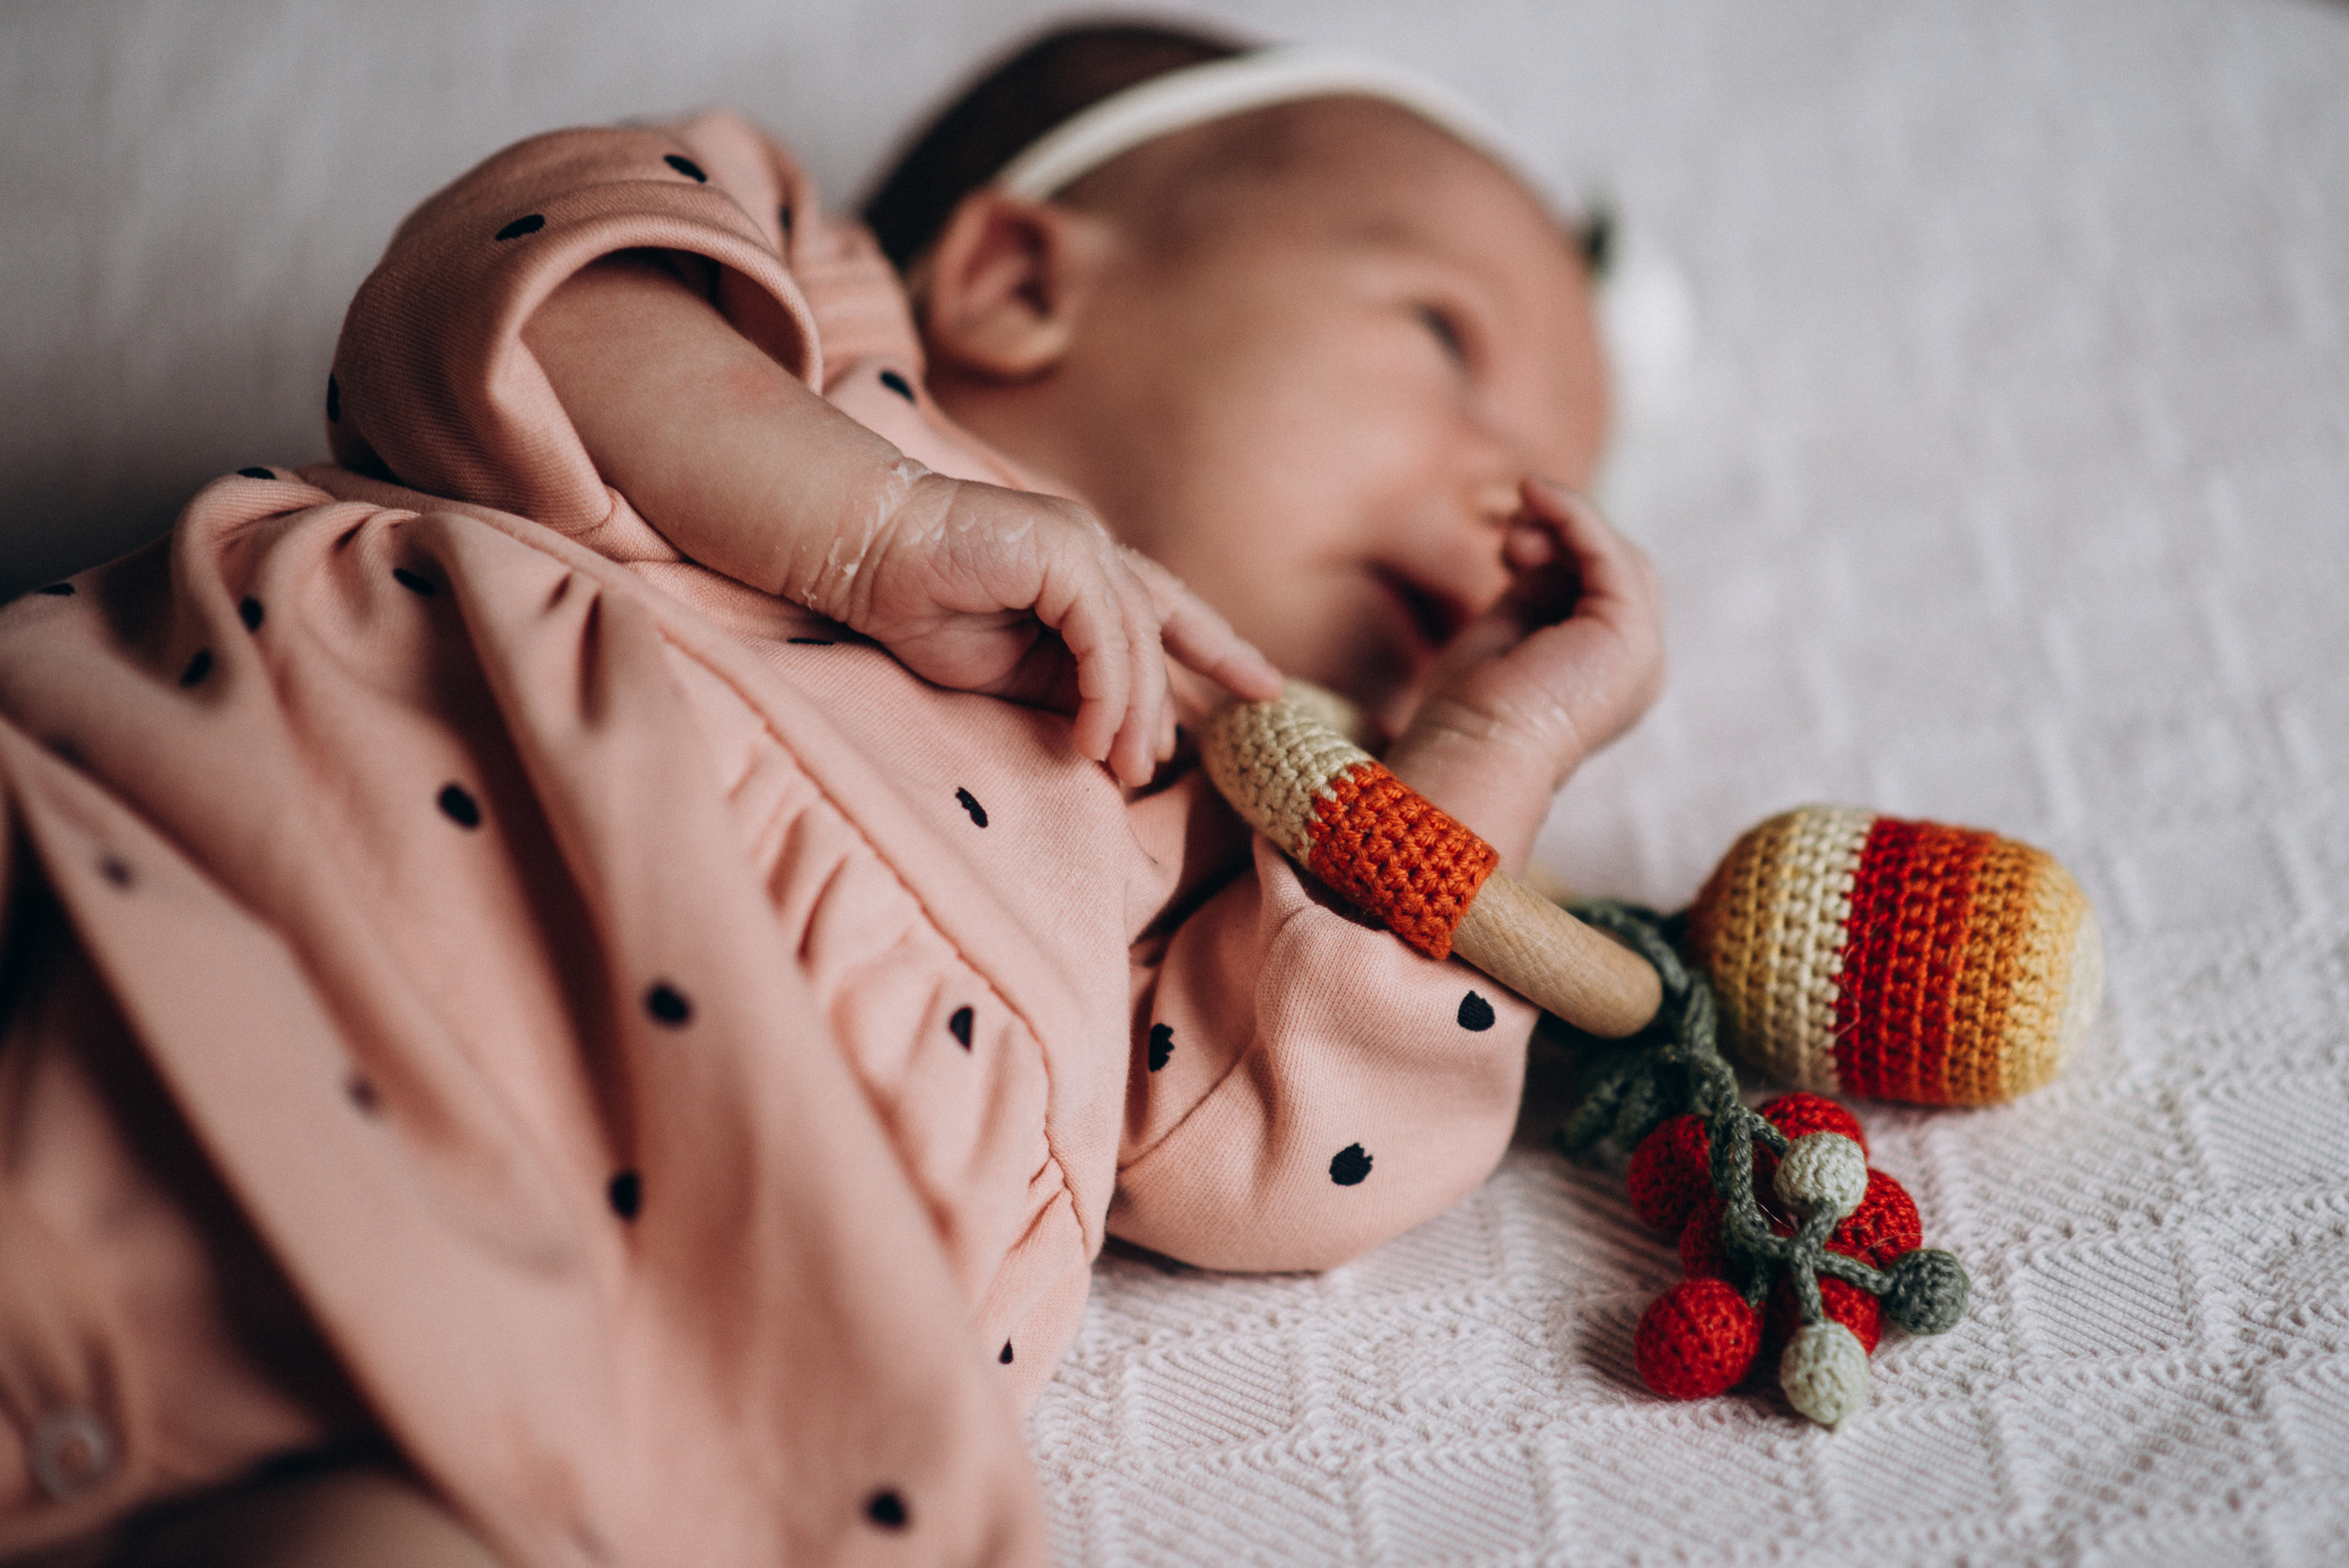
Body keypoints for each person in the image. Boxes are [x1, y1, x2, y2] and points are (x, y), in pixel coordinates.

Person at [0, 21, 1660, 1567]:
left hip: (541, 1397)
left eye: (1564, 484)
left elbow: (1284, 1149)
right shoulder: (803, 329)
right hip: (160, 897)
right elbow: (490, 294)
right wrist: (864, 522)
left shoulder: (1232, 831)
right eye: (1446, 341)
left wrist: (1487, 743)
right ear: (1017, 280)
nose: (1512, 507)